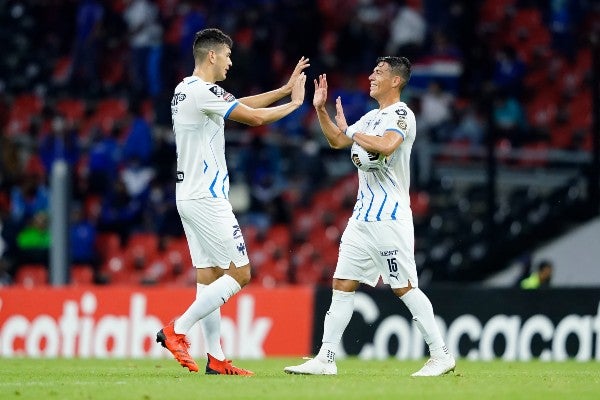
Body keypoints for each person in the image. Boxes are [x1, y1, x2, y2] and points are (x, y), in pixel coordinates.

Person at [284, 57, 455, 377]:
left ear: (396, 81)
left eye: (378, 72)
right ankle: (326, 358)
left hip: (390, 217)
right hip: (361, 218)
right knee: (342, 284)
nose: (371, 76)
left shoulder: (402, 115)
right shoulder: (370, 117)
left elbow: (388, 146)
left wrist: (349, 129)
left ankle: (441, 354)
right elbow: (337, 140)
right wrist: (321, 110)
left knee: (404, 287)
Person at [155, 28, 308, 375]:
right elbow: (252, 118)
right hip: (208, 197)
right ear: (212, 55)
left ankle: (217, 358)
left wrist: (283, 90)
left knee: (209, 277)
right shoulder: (203, 92)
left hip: (188, 195)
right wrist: (295, 104)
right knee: (240, 273)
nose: (230, 62)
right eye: (226, 55)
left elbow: (241, 106)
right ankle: (176, 329)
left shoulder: (185, 90)